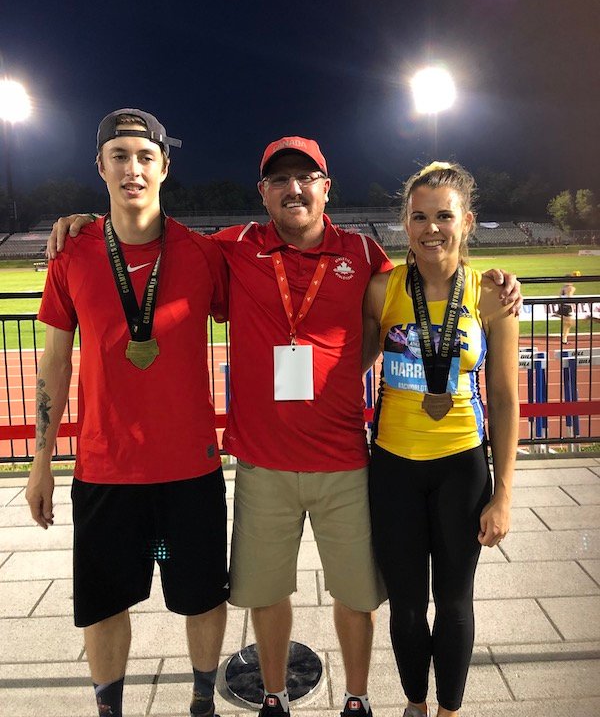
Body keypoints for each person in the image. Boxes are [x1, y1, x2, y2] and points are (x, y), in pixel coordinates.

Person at [47, 140, 522, 717]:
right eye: (279, 180)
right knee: (268, 593)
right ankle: (274, 697)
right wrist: (84, 225)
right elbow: (149, 233)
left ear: (327, 186)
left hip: (344, 456)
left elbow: (421, 292)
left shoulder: (365, 257)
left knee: (357, 596)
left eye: (306, 178)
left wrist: (494, 277)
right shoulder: (232, 249)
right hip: (262, 460)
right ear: (263, 192)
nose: (293, 189)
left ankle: (358, 698)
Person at [26, 109, 230, 717]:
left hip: (189, 470)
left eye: (145, 157)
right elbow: (54, 366)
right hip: (105, 471)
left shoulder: (203, 255)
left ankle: (201, 703)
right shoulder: (72, 254)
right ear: (100, 166)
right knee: (104, 603)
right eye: (119, 155)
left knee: (200, 596)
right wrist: (42, 463)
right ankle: (109, 709)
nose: (132, 168)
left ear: (165, 167)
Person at [362, 162, 519, 717]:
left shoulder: (491, 295)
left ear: (467, 222)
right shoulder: (382, 289)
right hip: (394, 466)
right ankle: (415, 705)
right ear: (405, 225)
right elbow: (347, 363)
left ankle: (449, 710)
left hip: (462, 467)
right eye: (420, 216)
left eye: (444, 216)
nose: (433, 228)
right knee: (406, 606)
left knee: (454, 603)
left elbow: (502, 399)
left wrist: (502, 496)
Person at [558, 279, 576, 344]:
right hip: (567, 307)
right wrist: (573, 305)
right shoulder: (571, 288)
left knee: (567, 324)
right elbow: (569, 296)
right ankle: (564, 339)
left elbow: (559, 297)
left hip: (562, 306)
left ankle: (564, 339)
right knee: (570, 323)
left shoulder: (562, 288)